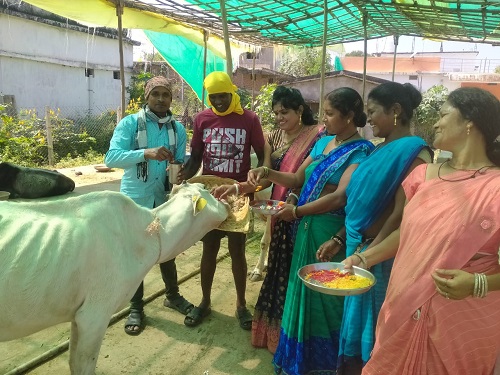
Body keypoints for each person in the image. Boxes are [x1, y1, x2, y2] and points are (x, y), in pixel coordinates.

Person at [351, 87, 500, 375]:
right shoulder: (424, 176)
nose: (435, 122)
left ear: (470, 122)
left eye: (443, 114)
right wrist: (363, 259)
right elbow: (405, 235)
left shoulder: (495, 188)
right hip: (401, 306)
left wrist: (477, 283)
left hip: (459, 323)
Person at [248, 87, 374, 374]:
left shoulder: (362, 151)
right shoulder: (324, 142)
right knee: (300, 292)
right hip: (303, 229)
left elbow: (341, 196)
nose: (324, 120)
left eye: (330, 114)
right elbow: (295, 178)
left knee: (325, 299)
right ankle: (298, 362)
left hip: (328, 232)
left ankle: (326, 364)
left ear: (350, 116)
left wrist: (297, 211)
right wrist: (265, 173)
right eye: (323, 113)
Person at [320, 82, 432, 374]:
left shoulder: (415, 155)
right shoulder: (380, 150)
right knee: (354, 320)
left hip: (379, 256)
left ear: (395, 111)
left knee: (371, 325)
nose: (367, 119)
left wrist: (369, 253)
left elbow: (400, 214)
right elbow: (358, 204)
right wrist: (341, 238)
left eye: (372, 112)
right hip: (359, 246)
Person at [212, 86, 324, 353]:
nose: (279, 118)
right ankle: (280, 332)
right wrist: (239, 188)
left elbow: (303, 178)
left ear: (300, 110)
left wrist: (291, 201)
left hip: (302, 210)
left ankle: (299, 336)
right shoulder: (273, 136)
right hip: (278, 209)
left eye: (284, 112)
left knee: (297, 273)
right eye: (275, 113)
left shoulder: (318, 136)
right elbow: (265, 175)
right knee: (277, 270)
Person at [105, 76, 194, 336]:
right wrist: (146, 152)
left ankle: (173, 295)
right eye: (155, 93)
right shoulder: (130, 124)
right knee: (136, 253)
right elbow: (112, 158)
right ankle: (136, 306)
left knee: (168, 249)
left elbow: (178, 162)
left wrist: (179, 174)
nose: (161, 99)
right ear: (147, 96)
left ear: (171, 98)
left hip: (164, 198)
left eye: (165, 94)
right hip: (135, 199)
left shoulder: (176, 129)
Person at [177, 71, 266, 330]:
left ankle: (240, 304)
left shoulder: (249, 119)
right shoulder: (202, 119)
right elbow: (195, 156)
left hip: (238, 195)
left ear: (232, 93)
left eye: (223, 96)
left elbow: (262, 156)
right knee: (209, 249)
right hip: (211, 193)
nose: (219, 102)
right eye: (213, 97)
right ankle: (204, 302)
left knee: (237, 250)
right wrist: (185, 174)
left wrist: (256, 183)